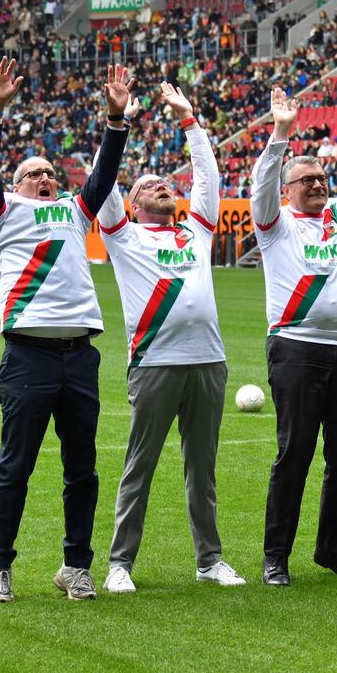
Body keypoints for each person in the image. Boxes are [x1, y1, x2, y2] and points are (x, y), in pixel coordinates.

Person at [0, 59, 130, 603]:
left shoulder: (73, 210)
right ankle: (0, 566)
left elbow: (103, 177)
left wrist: (115, 121)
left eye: (50, 173)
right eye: (33, 173)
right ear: (17, 187)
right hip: (28, 356)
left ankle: (76, 566)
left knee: (82, 470)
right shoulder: (2, 212)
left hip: (79, 355)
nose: (45, 178)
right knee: (14, 466)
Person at [95, 83, 245, 594]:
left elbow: (208, 178)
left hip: (208, 359)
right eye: (151, 185)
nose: (164, 187)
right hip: (155, 361)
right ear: (132, 203)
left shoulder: (195, 232)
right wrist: (117, 124)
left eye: (166, 184)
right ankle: (120, 564)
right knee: (141, 465)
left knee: (202, 471)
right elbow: (101, 182)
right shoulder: (122, 235)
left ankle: (210, 559)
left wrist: (190, 121)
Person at [250, 74, 337, 586]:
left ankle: (332, 549)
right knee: (295, 453)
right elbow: (263, 185)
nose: (316, 182)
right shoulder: (275, 223)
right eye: (305, 178)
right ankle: (275, 556)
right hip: (297, 347)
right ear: (287, 190)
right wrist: (280, 136)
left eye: (321, 176)